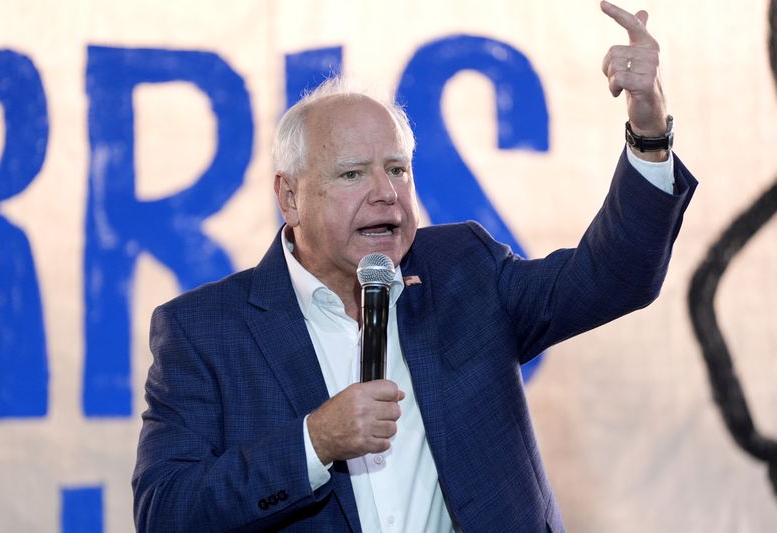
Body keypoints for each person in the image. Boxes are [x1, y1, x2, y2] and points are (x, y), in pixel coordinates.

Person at [133, 2, 697, 531]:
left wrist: (649, 133)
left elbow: (612, 278)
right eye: (353, 174)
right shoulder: (206, 330)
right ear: (290, 197)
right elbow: (166, 510)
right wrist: (315, 442)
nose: (385, 194)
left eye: (398, 170)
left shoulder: (464, 270)